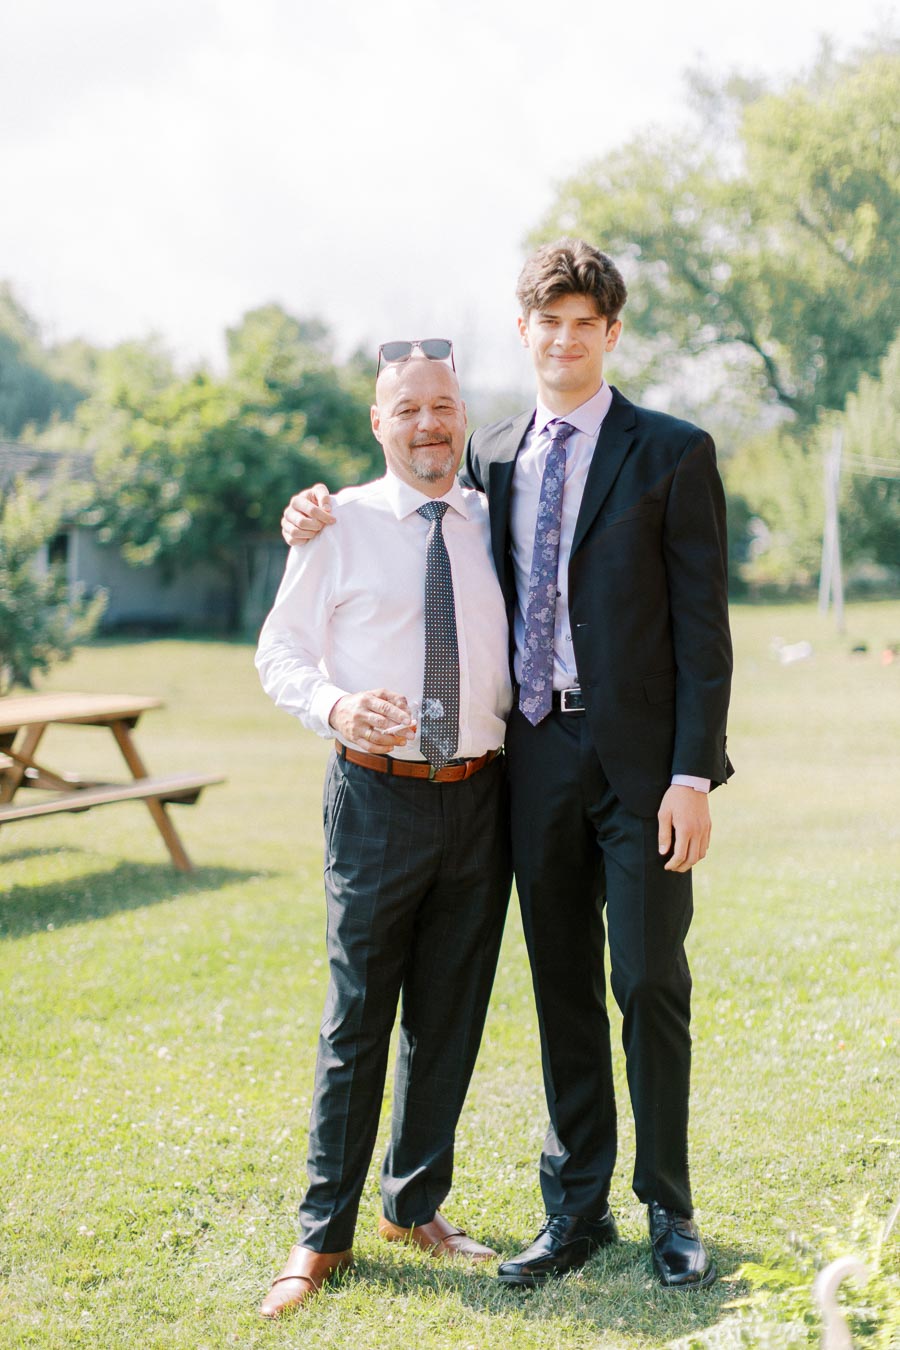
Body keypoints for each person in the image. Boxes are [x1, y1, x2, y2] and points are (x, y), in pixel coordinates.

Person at [281, 238, 733, 1291]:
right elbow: (403, 502)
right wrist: (309, 511)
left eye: (586, 324)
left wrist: (692, 776)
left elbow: (703, 632)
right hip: (531, 760)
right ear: (524, 332)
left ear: (611, 333)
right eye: (549, 323)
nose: (566, 340)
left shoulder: (673, 451)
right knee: (561, 985)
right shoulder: (489, 460)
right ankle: (575, 1208)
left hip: (642, 767)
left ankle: (669, 1206)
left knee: (648, 979)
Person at [255, 348, 512, 1319]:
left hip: (482, 798)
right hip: (375, 797)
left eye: (443, 405)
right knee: (357, 1020)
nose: (428, 424)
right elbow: (279, 650)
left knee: (449, 1015)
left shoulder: (496, 519)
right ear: (378, 422)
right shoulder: (338, 524)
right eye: (407, 409)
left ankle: (413, 1206)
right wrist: (335, 703)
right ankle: (322, 1233)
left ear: (462, 415)